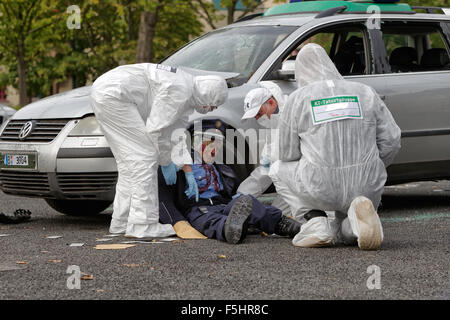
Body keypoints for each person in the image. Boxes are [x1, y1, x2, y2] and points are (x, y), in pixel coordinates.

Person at [269, 43, 401, 250]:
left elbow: (286, 153)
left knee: (276, 168)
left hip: (319, 185)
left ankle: (316, 221)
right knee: (344, 231)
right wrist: (373, 166)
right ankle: (357, 222)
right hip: (366, 184)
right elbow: (392, 140)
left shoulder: (298, 99)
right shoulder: (365, 92)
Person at [90, 63, 228, 238]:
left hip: (107, 92)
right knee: (145, 157)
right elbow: (156, 130)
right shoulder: (180, 90)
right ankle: (143, 225)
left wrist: (187, 169)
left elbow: (176, 134)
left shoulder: (185, 92)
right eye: (214, 104)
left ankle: (121, 221)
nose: (212, 109)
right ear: (208, 95)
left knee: (129, 165)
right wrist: (166, 161)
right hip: (115, 95)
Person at [158, 128, 302, 244]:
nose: (217, 146)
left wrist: (240, 199)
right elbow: (163, 197)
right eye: (211, 141)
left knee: (250, 202)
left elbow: (237, 196)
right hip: (199, 208)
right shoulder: (179, 165)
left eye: (220, 142)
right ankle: (230, 228)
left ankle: (284, 225)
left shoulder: (223, 169)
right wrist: (176, 221)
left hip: (223, 205)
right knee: (209, 220)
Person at [235, 82, 290, 215]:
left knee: (277, 217)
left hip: (307, 182)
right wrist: (243, 193)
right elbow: (266, 167)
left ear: (271, 103)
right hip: (291, 182)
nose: (258, 119)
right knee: (274, 216)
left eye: (259, 113)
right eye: (256, 117)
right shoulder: (274, 127)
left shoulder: (293, 116)